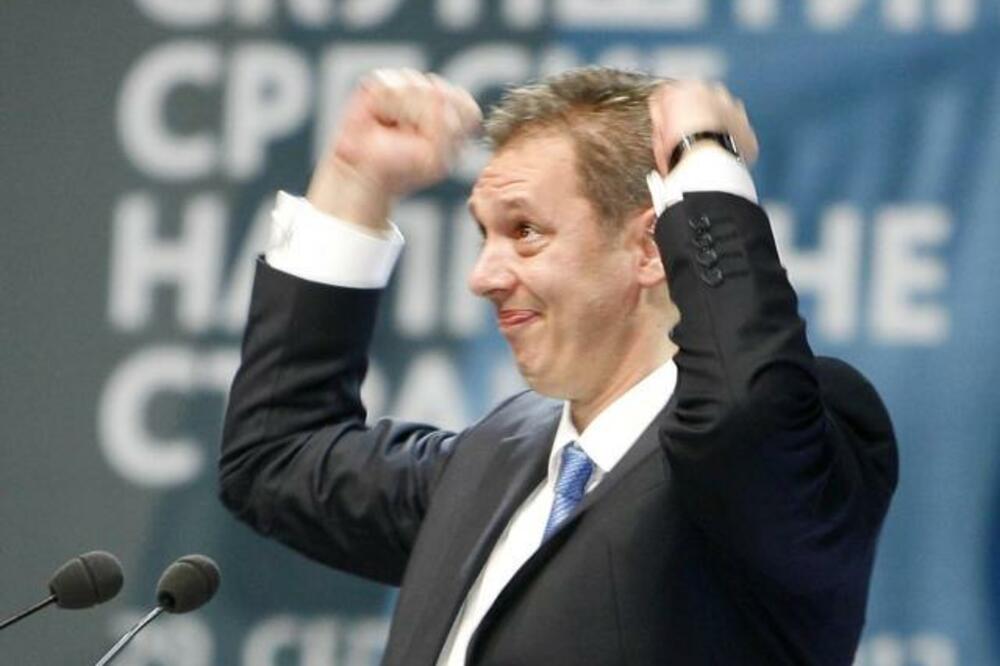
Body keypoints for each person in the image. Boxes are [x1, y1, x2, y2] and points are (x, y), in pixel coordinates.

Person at [219, 66, 897, 665]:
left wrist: (703, 163)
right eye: (484, 235)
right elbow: (277, 457)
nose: (483, 276)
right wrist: (354, 182)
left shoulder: (786, 452)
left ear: (650, 250)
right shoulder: (498, 457)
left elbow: (742, 412)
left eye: (525, 232)